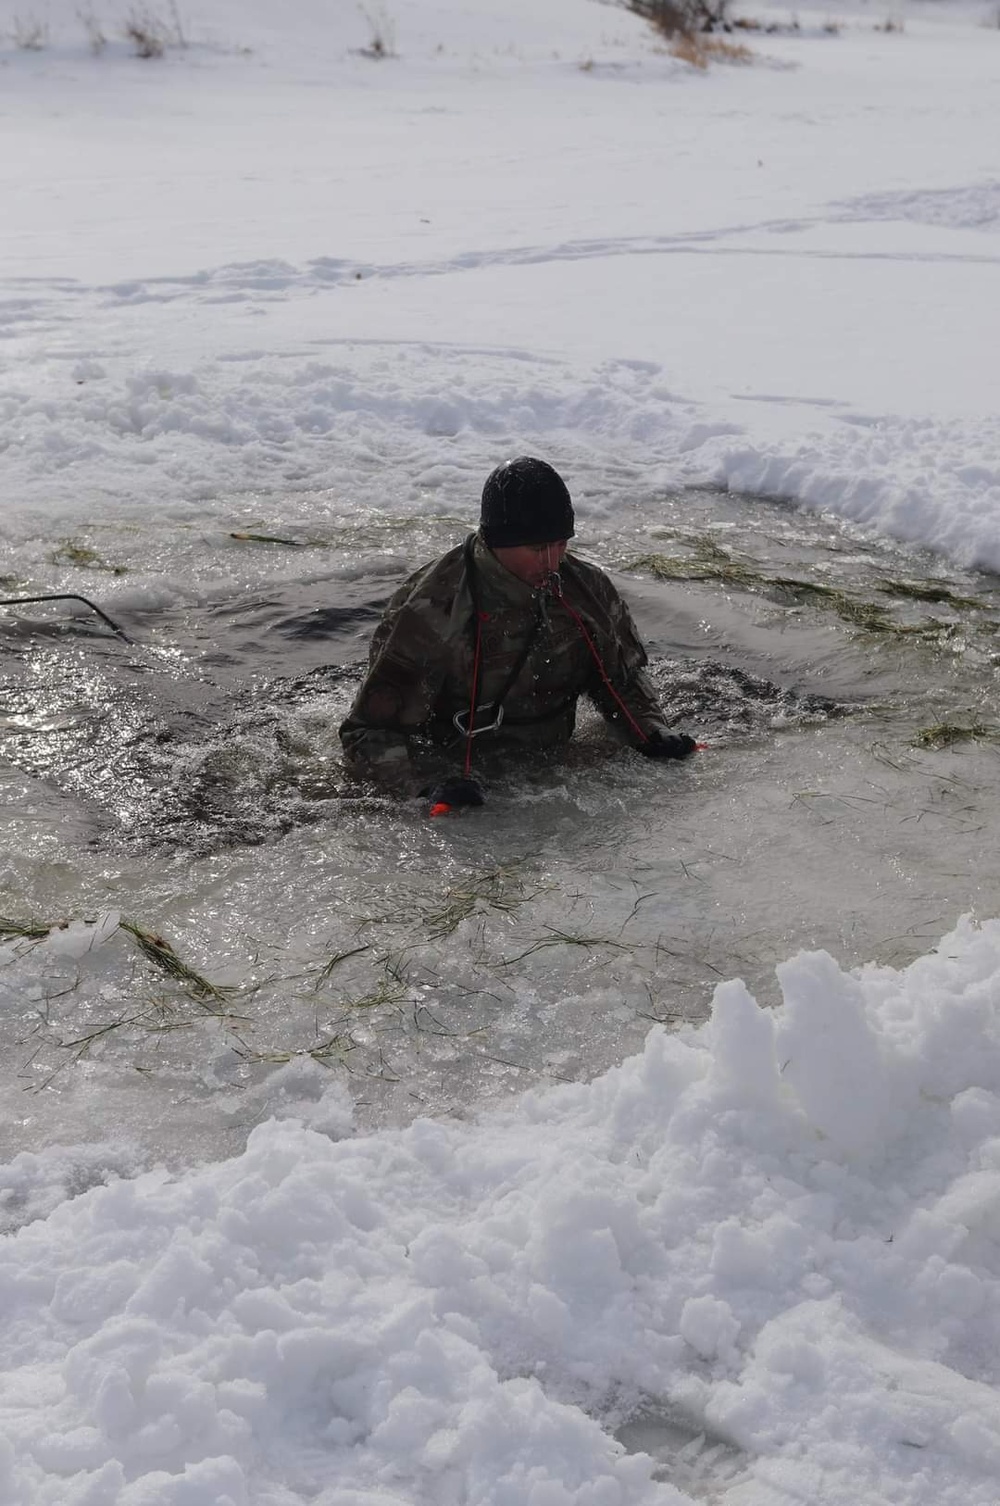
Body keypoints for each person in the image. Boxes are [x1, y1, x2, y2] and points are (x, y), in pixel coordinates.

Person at [339, 456, 697, 807]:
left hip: (551, 766)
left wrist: (651, 731)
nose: (553, 562)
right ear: (496, 542)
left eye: (561, 544)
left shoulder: (587, 589)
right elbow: (368, 730)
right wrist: (420, 788)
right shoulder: (434, 607)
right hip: (458, 770)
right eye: (538, 549)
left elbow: (621, 679)